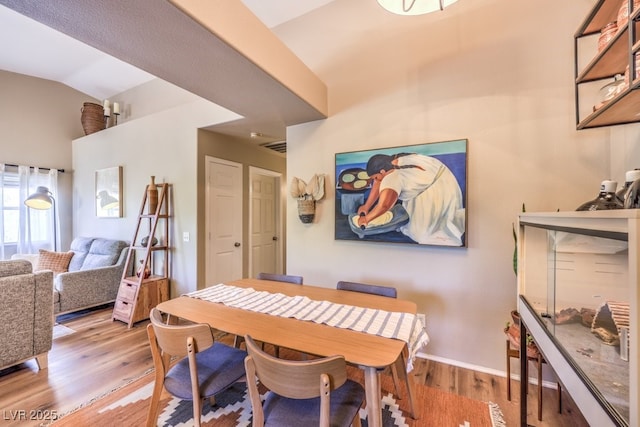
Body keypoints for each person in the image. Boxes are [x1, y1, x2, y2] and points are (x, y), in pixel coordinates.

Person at [356, 152, 465, 246]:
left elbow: (384, 206)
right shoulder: (392, 162)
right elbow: (378, 181)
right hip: (443, 178)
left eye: (375, 177)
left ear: (382, 172)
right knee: (415, 227)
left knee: (427, 234)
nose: (375, 181)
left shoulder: (393, 177)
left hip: (439, 191)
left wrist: (366, 219)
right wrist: (367, 206)